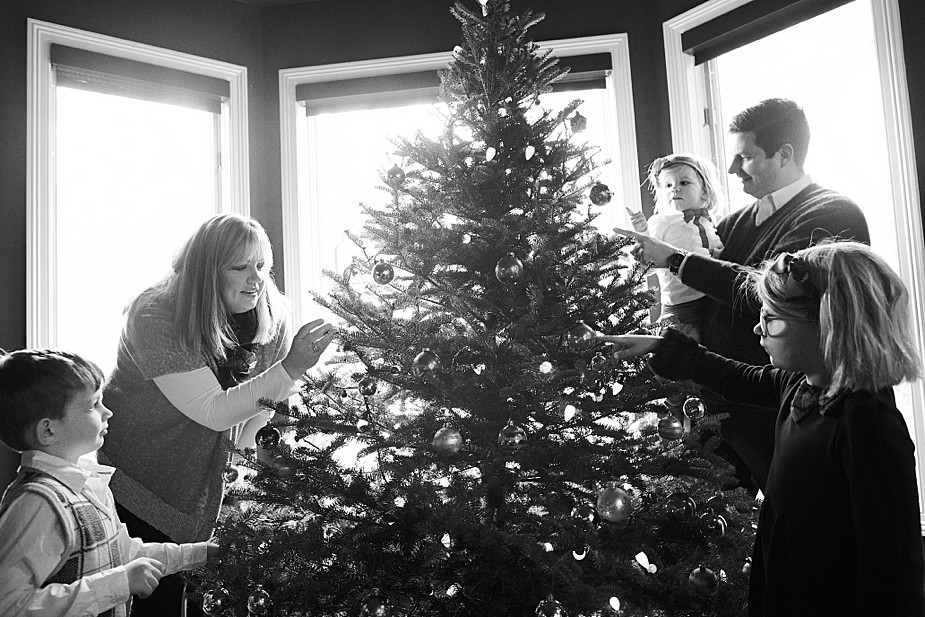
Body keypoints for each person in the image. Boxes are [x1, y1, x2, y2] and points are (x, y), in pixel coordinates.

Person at [597, 241, 924, 616]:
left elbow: (894, 565)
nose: (757, 326)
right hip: (788, 580)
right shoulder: (801, 386)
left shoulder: (866, 422)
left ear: (827, 322)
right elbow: (741, 378)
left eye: (771, 317)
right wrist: (661, 346)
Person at [617, 98, 869, 493]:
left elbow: (772, 292)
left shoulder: (830, 214)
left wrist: (675, 260)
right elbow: (713, 290)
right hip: (720, 405)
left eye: (745, 157)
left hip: (779, 410)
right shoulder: (734, 223)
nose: (732, 169)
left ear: (784, 154)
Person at [97, 213, 335, 616]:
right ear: (208, 272)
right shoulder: (156, 315)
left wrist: (237, 488)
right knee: (157, 604)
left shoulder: (271, 316)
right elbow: (212, 411)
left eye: (262, 266)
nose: (256, 278)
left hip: (211, 488)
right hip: (142, 482)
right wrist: (291, 367)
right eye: (239, 266)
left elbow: (262, 413)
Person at [0, 349, 222, 616]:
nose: (107, 412)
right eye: (93, 405)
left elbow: (124, 552)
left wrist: (201, 555)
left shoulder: (86, 487)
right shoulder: (37, 503)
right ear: (48, 430)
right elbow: (9, 606)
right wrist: (119, 583)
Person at [627, 153, 724, 341]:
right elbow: (644, 264)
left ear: (704, 191)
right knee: (679, 357)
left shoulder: (711, 222)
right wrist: (643, 233)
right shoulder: (662, 222)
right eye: (668, 185)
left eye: (684, 183)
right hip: (680, 309)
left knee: (713, 358)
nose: (675, 189)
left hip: (713, 301)